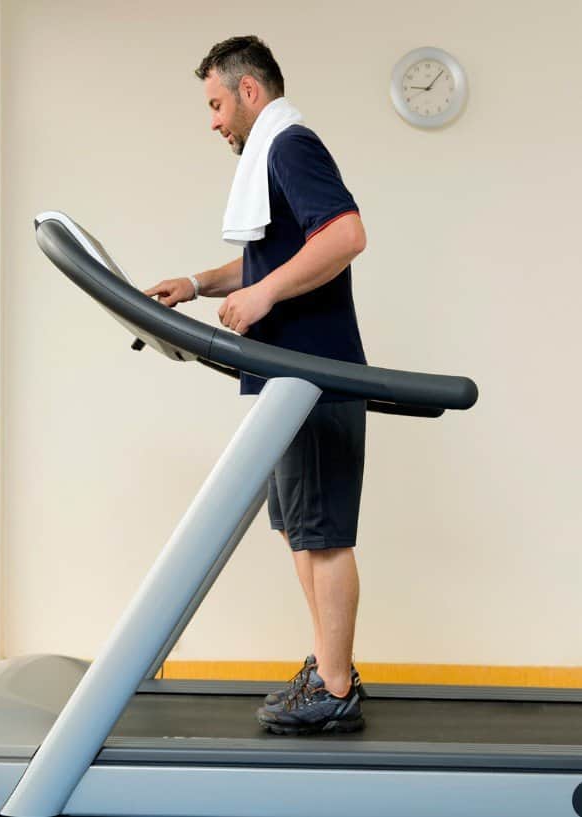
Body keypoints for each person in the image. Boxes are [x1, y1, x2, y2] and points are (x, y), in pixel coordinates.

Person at [144, 35, 370, 735]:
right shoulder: (271, 155)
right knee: (302, 532)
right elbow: (271, 255)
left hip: (314, 378)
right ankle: (330, 668)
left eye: (216, 104)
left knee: (323, 536)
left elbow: (346, 234)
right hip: (286, 380)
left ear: (249, 92)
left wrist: (266, 296)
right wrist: (198, 283)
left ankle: (335, 686)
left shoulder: (289, 144)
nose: (213, 121)